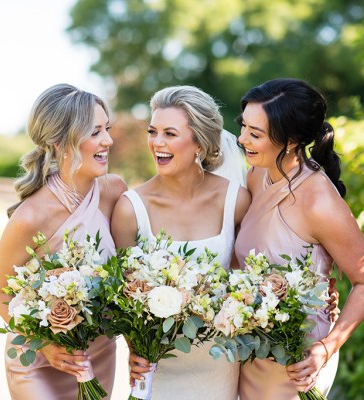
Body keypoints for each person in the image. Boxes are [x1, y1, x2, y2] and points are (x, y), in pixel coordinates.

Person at [234, 78, 364, 399]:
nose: (242, 138)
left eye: (255, 134)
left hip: (297, 361)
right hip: (251, 347)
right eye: (243, 126)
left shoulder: (320, 202)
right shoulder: (256, 176)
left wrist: (325, 349)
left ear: (291, 140)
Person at [110, 85, 252, 400]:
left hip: (218, 365)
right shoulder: (129, 209)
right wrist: (135, 348)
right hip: (155, 368)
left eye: (170, 134)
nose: (157, 142)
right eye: (153, 131)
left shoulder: (236, 201)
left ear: (200, 142)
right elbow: (123, 296)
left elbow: (248, 282)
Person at [0, 83, 126, 400]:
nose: (108, 140)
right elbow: (0, 294)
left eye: (107, 128)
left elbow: (128, 273)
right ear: (60, 142)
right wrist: (48, 347)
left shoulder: (113, 191)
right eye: (95, 132)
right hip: (38, 362)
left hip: (97, 355)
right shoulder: (28, 218)